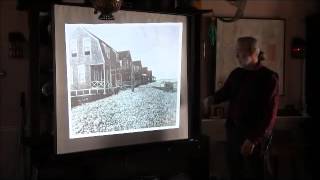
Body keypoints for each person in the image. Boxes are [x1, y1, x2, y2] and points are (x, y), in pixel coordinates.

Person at [203, 36, 279, 180]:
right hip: (234, 134)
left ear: (254, 52)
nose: (237, 55)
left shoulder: (269, 78)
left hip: (254, 138)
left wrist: (253, 140)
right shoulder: (237, 74)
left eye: (240, 52)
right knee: (234, 173)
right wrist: (210, 100)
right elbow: (224, 93)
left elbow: (270, 116)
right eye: (237, 51)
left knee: (256, 174)